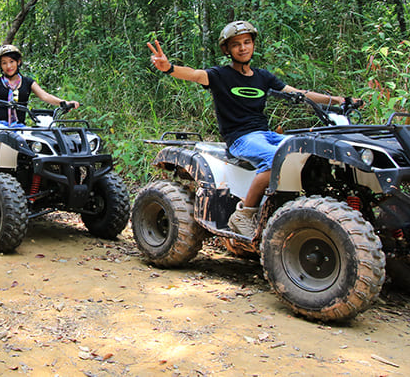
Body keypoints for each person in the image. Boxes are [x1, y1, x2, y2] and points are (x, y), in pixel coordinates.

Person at [147, 20, 349, 238]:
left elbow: (299, 94)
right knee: (275, 159)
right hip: (240, 138)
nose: (242, 48)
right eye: (236, 44)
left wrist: (337, 100)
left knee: (310, 154)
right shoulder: (220, 75)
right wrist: (168, 68)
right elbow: (195, 74)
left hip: (267, 135)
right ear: (227, 50)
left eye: (247, 42)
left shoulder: (263, 77)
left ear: (253, 44)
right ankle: (244, 214)